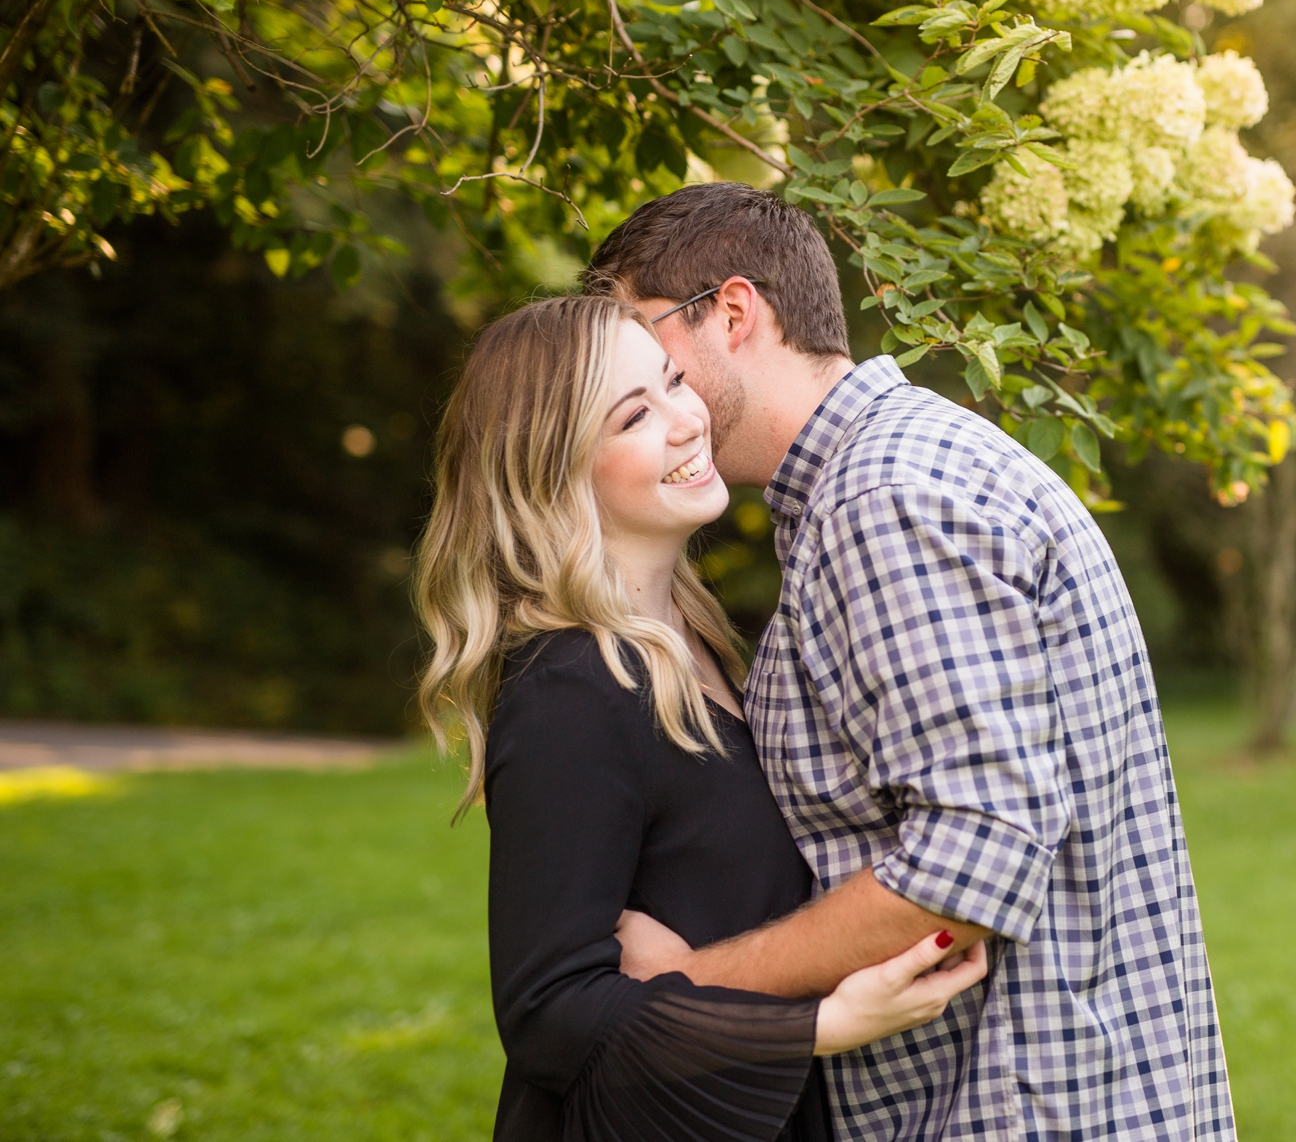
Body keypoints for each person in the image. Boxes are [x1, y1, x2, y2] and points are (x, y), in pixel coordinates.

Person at [586, 183, 1237, 1141]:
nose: (638, 384)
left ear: (733, 313)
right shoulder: (884, 474)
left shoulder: (884, 501)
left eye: (649, 347)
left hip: (1020, 1107)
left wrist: (689, 988)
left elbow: (974, 856)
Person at [412, 294, 990, 1142]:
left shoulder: (700, 644)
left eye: (674, 381)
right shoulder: (570, 686)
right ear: (552, 473)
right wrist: (822, 1025)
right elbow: (548, 1015)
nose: (687, 419)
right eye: (634, 416)